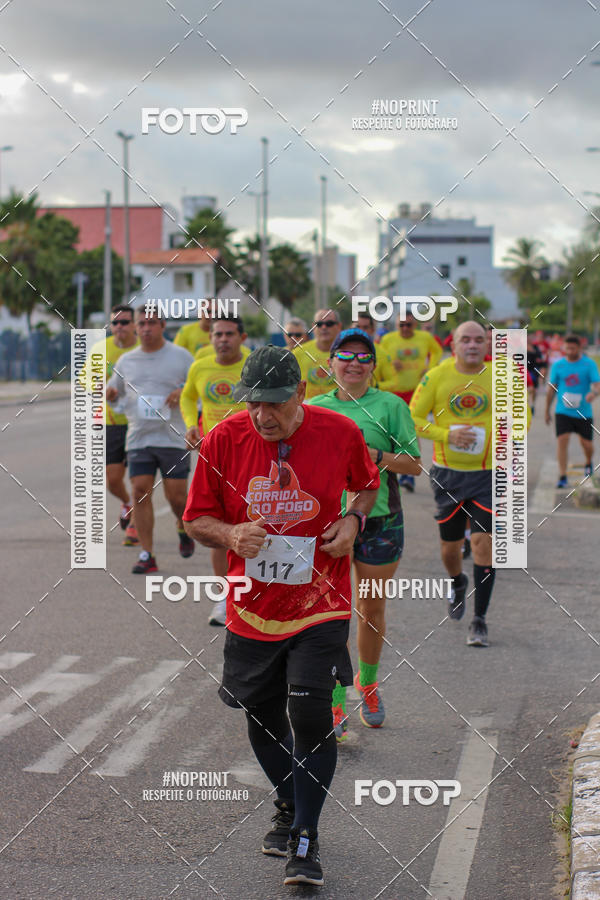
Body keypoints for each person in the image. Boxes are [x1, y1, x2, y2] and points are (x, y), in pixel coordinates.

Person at [182, 345, 379, 887]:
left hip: (322, 603)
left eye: (273, 403)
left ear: (299, 393)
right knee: (262, 719)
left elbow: (365, 486)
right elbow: (196, 515)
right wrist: (228, 534)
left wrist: (353, 523)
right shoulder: (225, 439)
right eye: (252, 405)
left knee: (311, 717)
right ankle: (290, 804)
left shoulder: (339, 432)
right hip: (251, 608)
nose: (262, 416)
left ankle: (306, 841)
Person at [309, 329, 420, 737]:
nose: (353, 363)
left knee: (369, 610)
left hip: (380, 521)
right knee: (329, 614)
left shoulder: (390, 406)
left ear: (373, 365)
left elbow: (413, 465)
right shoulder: (313, 408)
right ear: (331, 363)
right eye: (345, 355)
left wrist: (372, 454)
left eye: (362, 357)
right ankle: (335, 702)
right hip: (326, 524)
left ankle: (368, 684)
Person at [410, 320, 497, 648]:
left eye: (479, 340)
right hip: (448, 474)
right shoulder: (437, 376)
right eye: (466, 340)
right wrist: (447, 435)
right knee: (450, 549)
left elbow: (523, 418)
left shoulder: (501, 377)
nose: (473, 345)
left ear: (486, 345)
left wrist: (501, 438)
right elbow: (413, 418)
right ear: (454, 345)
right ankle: (457, 581)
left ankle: (480, 619)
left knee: (482, 544)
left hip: (489, 475)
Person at [106, 305, 195, 573]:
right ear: (136, 326)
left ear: (163, 326)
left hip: (172, 437)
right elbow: (115, 389)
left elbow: (195, 389)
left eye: (152, 323)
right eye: (142, 323)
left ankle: (182, 525)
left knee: (177, 497)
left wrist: (181, 391)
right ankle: (147, 554)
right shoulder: (126, 361)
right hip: (139, 438)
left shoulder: (181, 357)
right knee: (140, 491)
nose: (146, 328)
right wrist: (110, 392)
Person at [180, 315, 249, 625]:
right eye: (217, 334)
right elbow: (187, 396)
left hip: (252, 456)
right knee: (218, 529)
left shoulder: (254, 364)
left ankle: (257, 593)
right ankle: (225, 597)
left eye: (229, 334)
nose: (222, 339)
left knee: (256, 526)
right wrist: (190, 426)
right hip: (214, 458)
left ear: (242, 337)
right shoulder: (200, 366)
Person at [83, 304, 139, 545]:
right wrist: (100, 388)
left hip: (140, 423)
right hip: (111, 423)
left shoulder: (143, 349)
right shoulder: (100, 350)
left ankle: (135, 525)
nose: (119, 327)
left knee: (141, 479)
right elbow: (86, 379)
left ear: (135, 325)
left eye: (124, 322)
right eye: (114, 323)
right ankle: (127, 503)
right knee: (112, 479)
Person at [378, 311, 442, 492]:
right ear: (396, 326)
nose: (405, 328)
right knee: (393, 432)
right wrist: (391, 364)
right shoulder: (388, 340)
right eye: (401, 325)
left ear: (415, 325)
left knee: (412, 429)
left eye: (409, 325)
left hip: (416, 391)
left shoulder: (425, 337)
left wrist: (430, 368)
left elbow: (437, 351)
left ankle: (408, 474)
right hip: (395, 391)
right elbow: (381, 361)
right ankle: (396, 470)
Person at [545, 334, 600, 487]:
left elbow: (597, 384)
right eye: (567, 348)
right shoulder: (558, 365)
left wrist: (593, 393)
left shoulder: (589, 364)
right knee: (562, 440)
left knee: (586, 444)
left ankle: (588, 462)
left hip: (583, 411)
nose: (569, 351)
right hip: (562, 411)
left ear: (579, 348)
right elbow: (552, 389)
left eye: (573, 348)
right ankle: (562, 475)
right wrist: (546, 410)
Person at [292, 309, 342, 399]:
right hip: (308, 409)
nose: (324, 327)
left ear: (339, 326)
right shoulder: (297, 353)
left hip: (339, 409)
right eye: (319, 324)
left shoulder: (348, 353)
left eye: (329, 324)